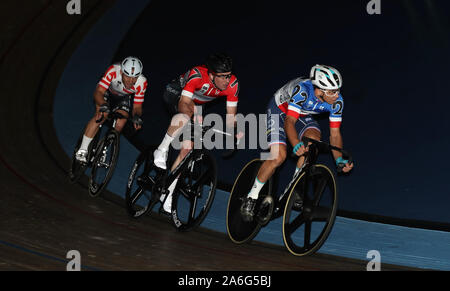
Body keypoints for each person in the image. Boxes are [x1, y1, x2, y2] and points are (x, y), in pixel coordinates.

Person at [240, 64, 354, 220]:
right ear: (319, 90)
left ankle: (295, 187)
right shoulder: (302, 91)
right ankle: (251, 197)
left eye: (338, 90)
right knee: (278, 156)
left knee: (313, 142)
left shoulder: (337, 101)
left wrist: (339, 159)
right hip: (279, 111)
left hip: (302, 115)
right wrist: (296, 144)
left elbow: (335, 134)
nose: (337, 95)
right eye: (332, 91)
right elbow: (289, 122)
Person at [153, 53, 241, 214]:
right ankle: (161, 149)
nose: (226, 81)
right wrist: (192, 119)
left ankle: (168, 192)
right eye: (222, 77)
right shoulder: (197, 75)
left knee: (188, 148)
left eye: (228, 76)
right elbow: (185, 103)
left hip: (197, 105)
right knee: (187, 116)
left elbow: (231, 116)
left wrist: (233, 132)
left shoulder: (233, 84)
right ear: (211, 74)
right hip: (176, 94)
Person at [75, 56, 147, 162]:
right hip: (105, 92)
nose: (131, 81)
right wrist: (103, 104)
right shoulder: (113, 71)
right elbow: (99, 92)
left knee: (120, 123)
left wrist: (136, 116)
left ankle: (104, 150)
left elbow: (137, 106)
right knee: (101, 116)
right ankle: (83, 149)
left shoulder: (142, 82)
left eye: (134, 78)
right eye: (128, 76)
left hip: (123, 98)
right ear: (122, 72)